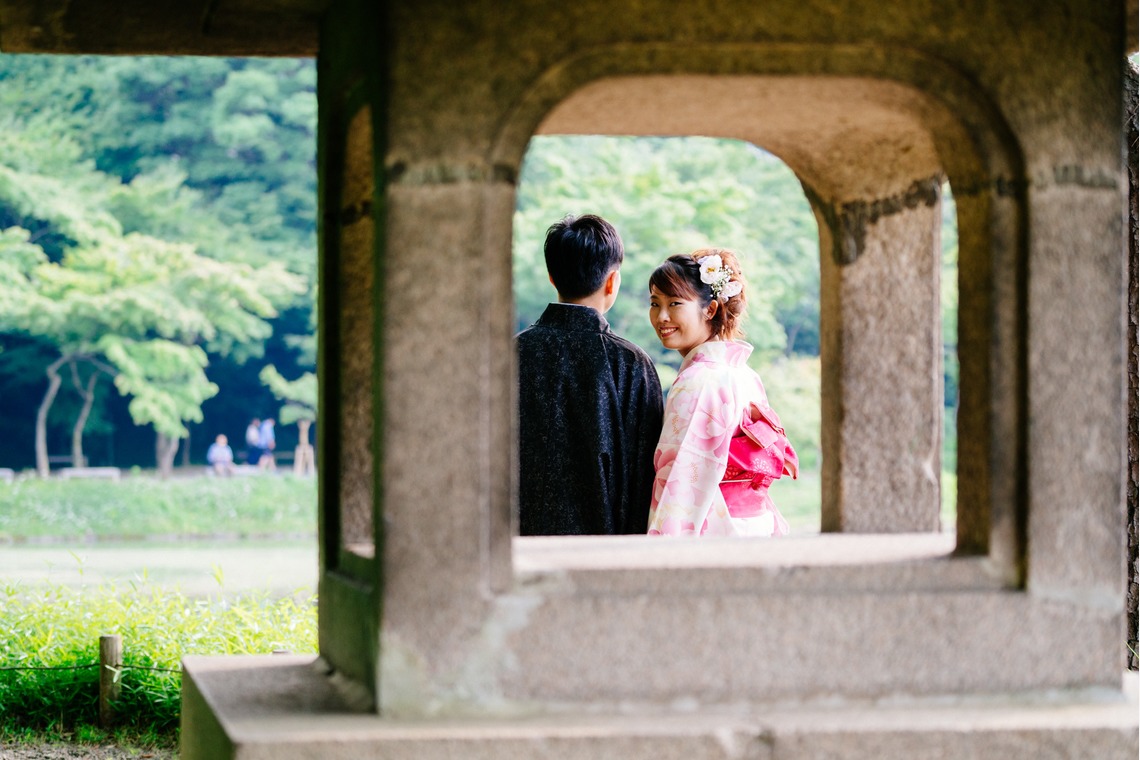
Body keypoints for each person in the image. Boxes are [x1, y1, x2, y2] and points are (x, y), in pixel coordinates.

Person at [516, 214, 664, 535]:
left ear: (552, 277)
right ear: (612, 281)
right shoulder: (631, 364)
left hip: (512, 549)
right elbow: (643, 483)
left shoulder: (508, 355)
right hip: (601, 555)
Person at [646, 248, 798, 537]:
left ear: (710, 309)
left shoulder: (700, 380)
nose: (661, 316)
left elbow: (681, 480)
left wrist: (661, 556)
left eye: (675, 303)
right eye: (655, 304)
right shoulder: (746, 375)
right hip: (755, 526)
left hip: (719, 530)